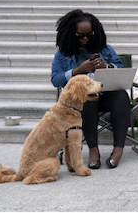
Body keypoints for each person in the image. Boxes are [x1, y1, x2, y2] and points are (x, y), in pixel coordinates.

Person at [50, 9, 129, 170]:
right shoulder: (63, 53)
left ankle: (118, 148)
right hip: (80, 102)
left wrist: (106, 66)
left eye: (89, 35)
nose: (85, 39)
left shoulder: (104, 48)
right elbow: (55, 79)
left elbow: (121, 67)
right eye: (80, 35)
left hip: (106, 94)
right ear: (72, 33)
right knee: (88, 99)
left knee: (121, 95)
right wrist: (78, 70)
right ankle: (94, 149)